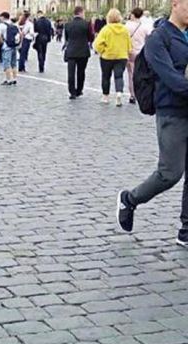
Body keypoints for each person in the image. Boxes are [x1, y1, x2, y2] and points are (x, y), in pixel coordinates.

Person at [116, 0, 188, 244]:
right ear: (175, 4)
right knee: (170, 173)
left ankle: (186, 230)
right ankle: (129, 199)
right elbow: (170, 78)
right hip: (172, 112)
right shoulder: (158, 38)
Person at [94, 8, 131, 106]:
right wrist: (126, 52)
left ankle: (105, 97)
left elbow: (97, 44)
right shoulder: (124, 29)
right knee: (119, 76)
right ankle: (119, 93)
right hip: (121, 56)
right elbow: (129, 43)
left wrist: (101, 51)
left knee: (106, 76)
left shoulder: (106, 29)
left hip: (107, 57)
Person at [64, 6, 93, 99]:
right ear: (81, 13)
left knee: (71, 73)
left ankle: (72, 92)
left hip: (71, 51)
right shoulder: (86, 24)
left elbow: (66, 38)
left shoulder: (68, 24)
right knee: (81, 72)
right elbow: (91, 37)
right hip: (83, 52)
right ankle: (79, 90)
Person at [126, 7, 152, 104]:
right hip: (141, 52)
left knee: (130, 74)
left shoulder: (127, 25)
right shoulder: (145, 26)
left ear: (133, 15)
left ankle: (132, 95)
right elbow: (150, 36)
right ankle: (141, 92)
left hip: (130, 51)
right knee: (141, 73)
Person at [0, 11, 19, 85]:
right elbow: (20, 34)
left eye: (0, 17)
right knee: (14, 64)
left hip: (6, 46)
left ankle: (8, 80)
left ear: (3, 17)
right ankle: (14, 79)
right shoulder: (14, 24)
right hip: (13, 46)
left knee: (7, 64)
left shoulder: (1, 25)